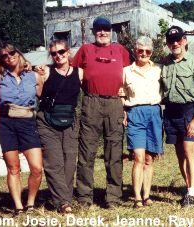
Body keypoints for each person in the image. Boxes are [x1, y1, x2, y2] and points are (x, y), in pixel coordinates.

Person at [72, 16, 131, 209]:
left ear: (111, 31)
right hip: (91, 102)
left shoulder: (121, 51)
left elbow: (130, 77)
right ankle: (84, 197)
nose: (102, 32)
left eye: (106, 29)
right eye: (98, 29)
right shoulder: (85, 50)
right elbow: (72, 74)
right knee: (87, 152)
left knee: (114, 152)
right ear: (93, 31)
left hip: (115, 103)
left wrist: (126, 100)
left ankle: (113, 197)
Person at [161, 26, 194, 208]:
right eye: (171, 40)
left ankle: (193, 193)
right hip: (171, 113)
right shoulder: (164, 63)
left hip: (189, 111)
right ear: (167, 43)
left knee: (189, 151)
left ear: (185, 41)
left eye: (179, 39)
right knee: (180, 154)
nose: (175, 43)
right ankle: (189, 187)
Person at [0, 43, 43, 216]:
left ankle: (30, 203)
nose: (9, 57)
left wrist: (38, 68)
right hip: (6, 123)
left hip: (28, 122)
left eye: (11, 53)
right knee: (13, 168)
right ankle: (18, 206)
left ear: (18, 52)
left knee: (37, 168)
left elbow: (43, 95)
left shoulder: (34, 76)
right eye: (4, 56)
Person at [35, 40, 81, 214]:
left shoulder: (79, 73)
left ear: (68, 52)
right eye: (54, 53)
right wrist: (37, 75)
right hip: (47, 121)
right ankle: (63, 202)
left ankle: (65, 198)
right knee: (54, 162)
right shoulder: (45, 71)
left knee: (69, 162)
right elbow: (38, 93)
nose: (58, 56)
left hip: (69, 121)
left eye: (61, 52)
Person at [119, 36, 163, 208]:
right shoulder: (126, 71)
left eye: (148, 51)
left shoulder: (158, 69)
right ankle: (137, 197)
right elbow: (121, 93)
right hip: (135, 113)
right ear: (135, 51)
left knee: (149, 159)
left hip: (154, 113)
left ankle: (147, 195)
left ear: (151, 52)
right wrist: (124, 112)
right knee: (138, 157)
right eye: (140, 50)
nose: (144, 54)